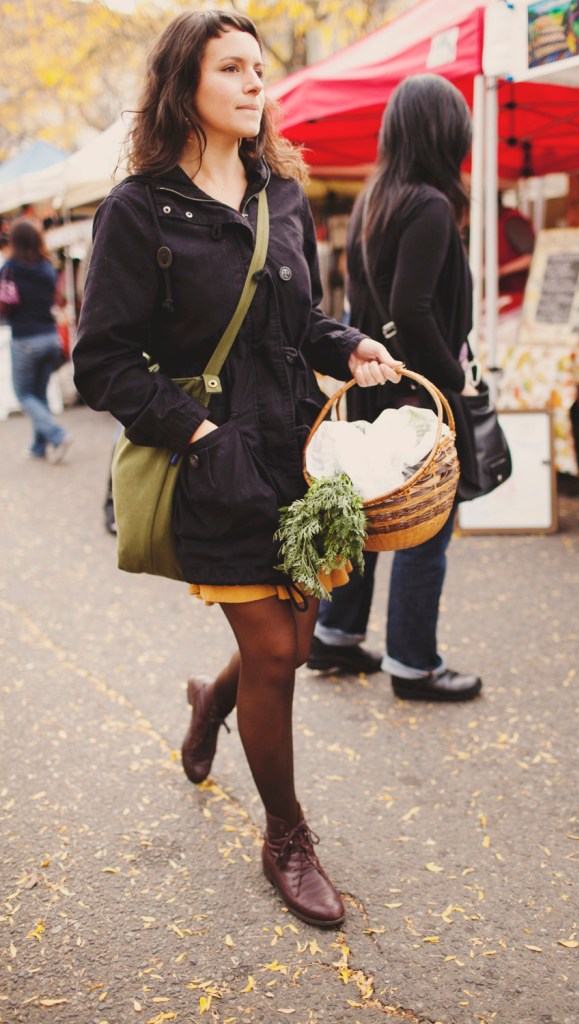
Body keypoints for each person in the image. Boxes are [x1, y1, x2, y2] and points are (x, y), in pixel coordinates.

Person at [72, 9, 400, 929]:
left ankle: (209, 703)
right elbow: (101, 362)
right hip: (211, 456)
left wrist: (349, 344)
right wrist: (199, 436)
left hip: (294, 448)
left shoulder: (281, 193)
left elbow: (300, 322)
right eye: (234, 69)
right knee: (275, 650)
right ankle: (286, 837)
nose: (258, 83)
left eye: (261, 68)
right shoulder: (137, 210)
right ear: (186, 87)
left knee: (292, 641)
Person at [307, 74, 483, 704]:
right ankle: (413, 663)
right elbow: (412, 308)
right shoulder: (430, 205)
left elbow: (368, 302)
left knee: (370, 514)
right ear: (445, 133)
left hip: (373, 387)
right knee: (423, 526)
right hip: (416, 394)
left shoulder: (374, 201)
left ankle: (336, 633)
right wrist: (452, 379)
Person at [2, 218, 72, 462]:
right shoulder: (47, 267)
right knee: (39, 395)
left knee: (23, 394)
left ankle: (57, 434)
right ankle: (39, 446)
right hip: (50, 338)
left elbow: (5, 304)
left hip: (25, 339)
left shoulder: (10, 267)